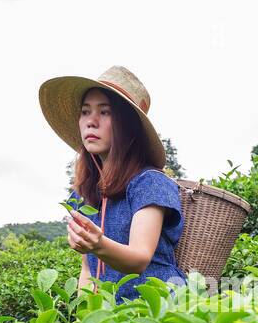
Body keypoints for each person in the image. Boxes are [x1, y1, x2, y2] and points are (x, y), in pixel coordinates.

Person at [38, 65, 185, 302]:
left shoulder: (149, 183)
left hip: (159, 309)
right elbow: (87, 270)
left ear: (127, 125)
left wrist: (98, 243)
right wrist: (86, 318)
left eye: (104, 112)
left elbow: (139, 258)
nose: (91, 121)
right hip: (108, 317)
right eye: (85, 112)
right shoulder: (82, 196)